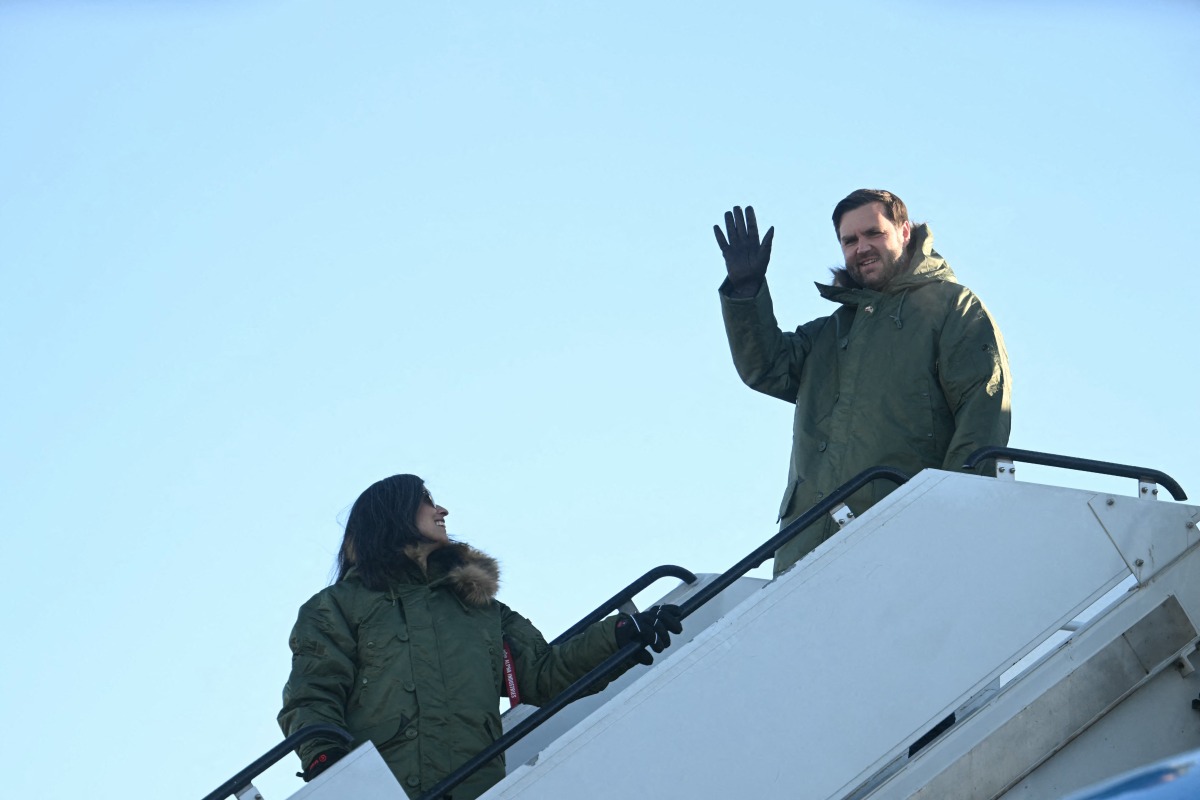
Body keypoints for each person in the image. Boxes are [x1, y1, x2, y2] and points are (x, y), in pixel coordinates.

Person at [278, 474, 681, 799]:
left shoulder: (481, 609)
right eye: (427, 500)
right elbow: (313, 694)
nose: (442, 510)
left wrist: (621, 634)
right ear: (392, 513)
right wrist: (327, 764)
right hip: (383, 792)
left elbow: (544, 673)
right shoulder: (338, 606)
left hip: (477, 789)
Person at [714, 189, 1011, 576]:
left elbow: (982, 413)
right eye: (849, 240)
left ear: (904, 232)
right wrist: (745, 291)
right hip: (805, 547)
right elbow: (766, 368)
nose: (862, 248)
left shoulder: (952, 309)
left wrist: (952, 513)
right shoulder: (828, 334)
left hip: (903, 540)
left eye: (874, 233)